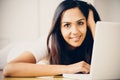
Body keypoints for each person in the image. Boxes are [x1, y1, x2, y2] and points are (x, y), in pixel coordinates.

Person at [3, 0, 100, 77]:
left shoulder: (90, 39)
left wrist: (93, 24)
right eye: (67, 25)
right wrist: (68, 69)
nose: (75, 31)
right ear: (59, 28)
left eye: (80, 23)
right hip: (12, 52)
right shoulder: (49, 41)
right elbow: (9, 68)